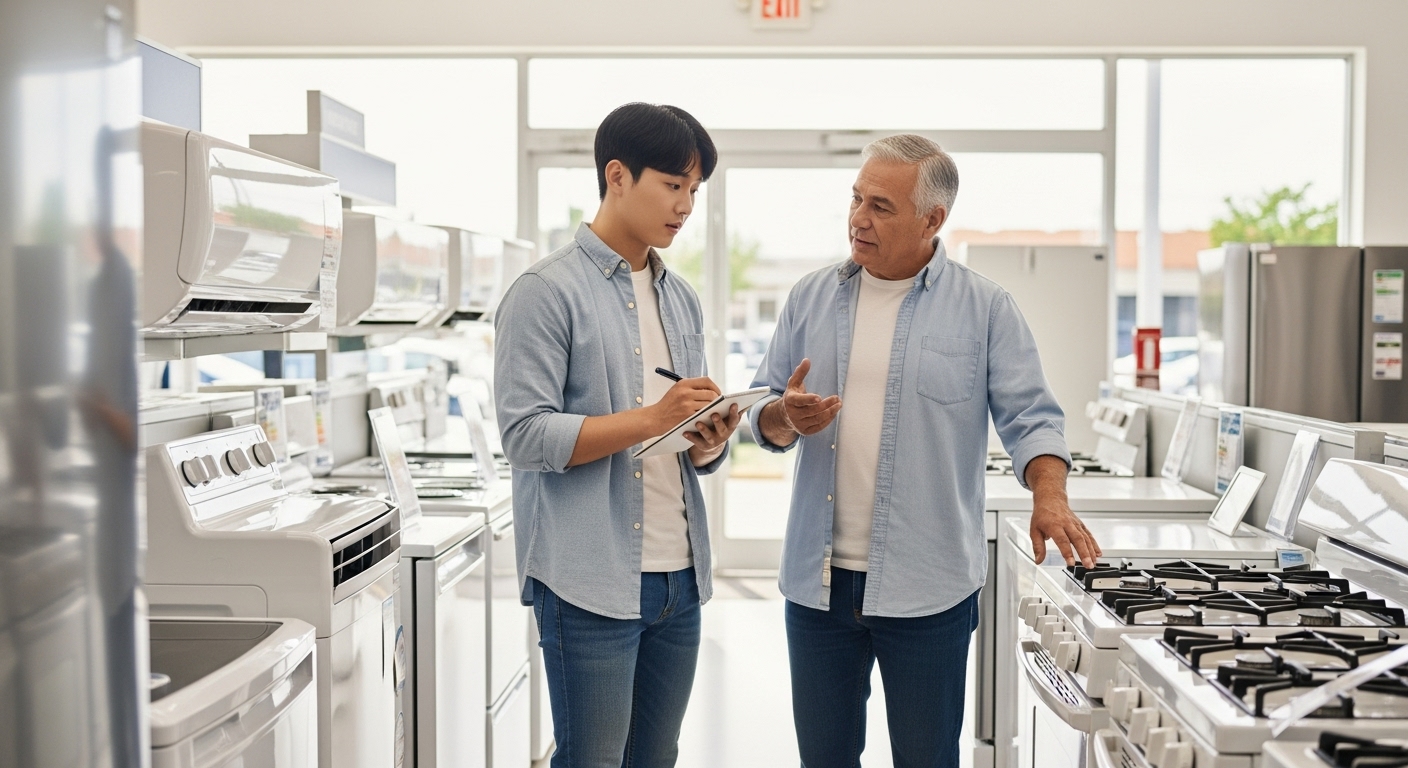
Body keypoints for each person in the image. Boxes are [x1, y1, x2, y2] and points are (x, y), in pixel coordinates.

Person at [747, 134, 1103, 768]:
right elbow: (763, 412)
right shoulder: (808, 297)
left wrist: (1050, 496)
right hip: (817, 586)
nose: (858, 218)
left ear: (932, 219)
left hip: (929, 588)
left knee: (927, 759)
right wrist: (783, 416)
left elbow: (1032, 417)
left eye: (881, 206)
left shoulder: (986, 308)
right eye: (856, 199)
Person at [494, 102, 741, 768]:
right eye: (674, 184)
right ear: (618, 176)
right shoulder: (544, 292)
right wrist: (654, 417)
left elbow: (684, 443)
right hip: (588, 581)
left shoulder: (680, 297)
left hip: (678, 578)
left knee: (656, 758)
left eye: (695, 190)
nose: (686, 205)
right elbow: (525, 434)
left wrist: (707, 437)